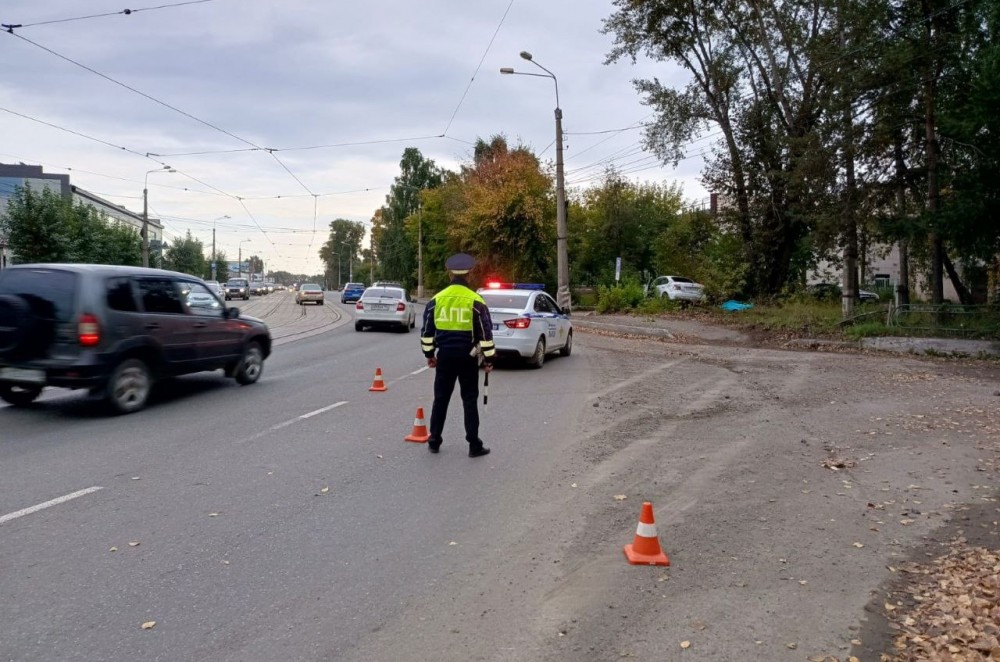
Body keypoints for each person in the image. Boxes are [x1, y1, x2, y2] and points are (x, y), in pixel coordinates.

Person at [420, 253, 496, 457]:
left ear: (449, 274)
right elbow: (485, 334)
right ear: (470, 275)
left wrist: (429, 354)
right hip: (468, 357)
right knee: (469, 400)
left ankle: (434, 440)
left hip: (444, 357)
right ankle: (474, 445)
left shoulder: (436, 300)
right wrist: (489, 359)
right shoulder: (476, 301)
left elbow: (427, 332)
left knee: (440, 399)